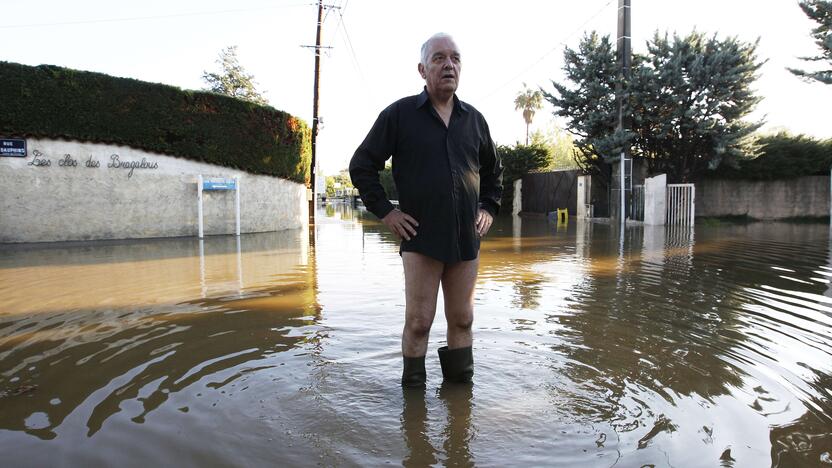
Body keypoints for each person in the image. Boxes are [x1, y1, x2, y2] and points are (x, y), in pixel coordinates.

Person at [349, 32, 503, 387]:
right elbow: (362, 164)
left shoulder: (475, 121)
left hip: (466, 237)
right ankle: (413, 406)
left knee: (462, 319)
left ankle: (460, 401)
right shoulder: (400, 115)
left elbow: (494, 172)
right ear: (422, 69)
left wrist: (490, 208)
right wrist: (387, 212)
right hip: (420, 236)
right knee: (419, 321)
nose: (449, 64)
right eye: (439, 58)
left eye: (455, 58)